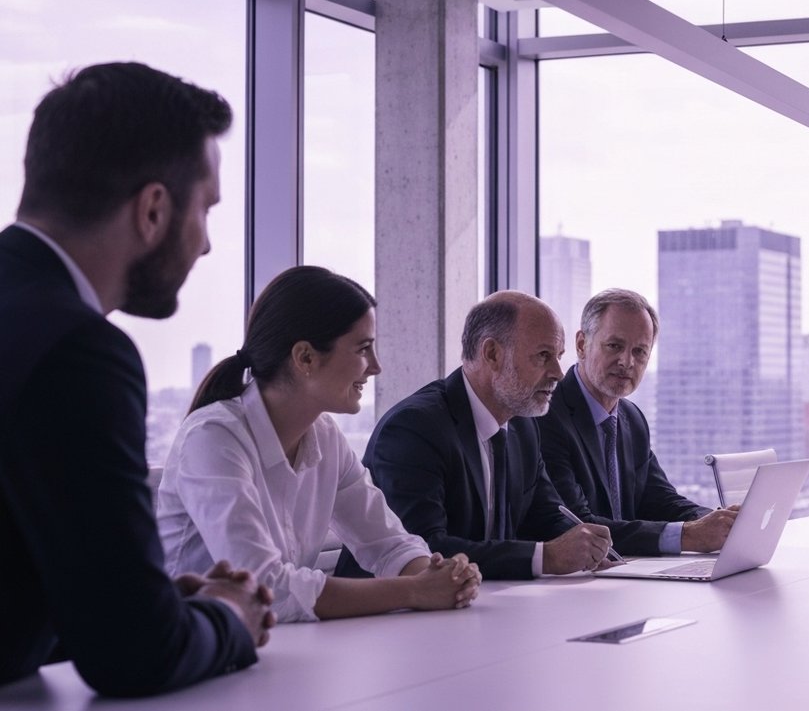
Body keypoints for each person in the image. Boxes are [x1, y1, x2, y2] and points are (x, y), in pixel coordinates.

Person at [0, 62, 273, 696]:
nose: (205, 246)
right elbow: (133, 656)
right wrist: (231, 615)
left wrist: (148, 602)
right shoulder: (78, 351)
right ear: (153, 209)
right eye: (205, 209)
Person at [157, 266, 482, 623]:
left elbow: (388, 543)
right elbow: (264, 587)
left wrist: (439, 575)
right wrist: (415, 591)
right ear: (305, 358)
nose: (376, 367)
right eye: (363, 349)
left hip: (274, 649)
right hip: (198, 657)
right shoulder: (213, 438)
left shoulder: (325, 436)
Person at [335, 291, 614, 580]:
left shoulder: (523, 426)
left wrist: (587, 546)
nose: (558, 372)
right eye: (543, 356)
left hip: (483, 604)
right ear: (492, 353)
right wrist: (547, 558)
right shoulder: (413, 428)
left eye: (558, 356)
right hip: (388, 616)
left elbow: (546, 515)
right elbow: (424, 550)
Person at [538, 289, 737, 554]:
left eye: (640, 351)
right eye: (614, 346)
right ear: (582, 345)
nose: (627, 362)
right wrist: (687, 536)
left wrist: (720, 522)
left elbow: (659, 499)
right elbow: (577, 524)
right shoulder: (546, 414)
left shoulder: (632, 417)